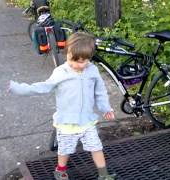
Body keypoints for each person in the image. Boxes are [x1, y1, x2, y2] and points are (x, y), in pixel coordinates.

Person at [8, 32, 116, 180]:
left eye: (81, 61)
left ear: (89, 59)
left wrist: (106, 108)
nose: (76, 64)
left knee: (97, 147)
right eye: (72, 59)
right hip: (66, 123)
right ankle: (60, 171)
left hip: (87, 121)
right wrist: (20, 88)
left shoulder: (92, 71)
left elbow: (100, 92)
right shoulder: (61, 72)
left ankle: (104, 174)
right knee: (65, 150)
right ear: (67, 53)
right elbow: (44, 87)